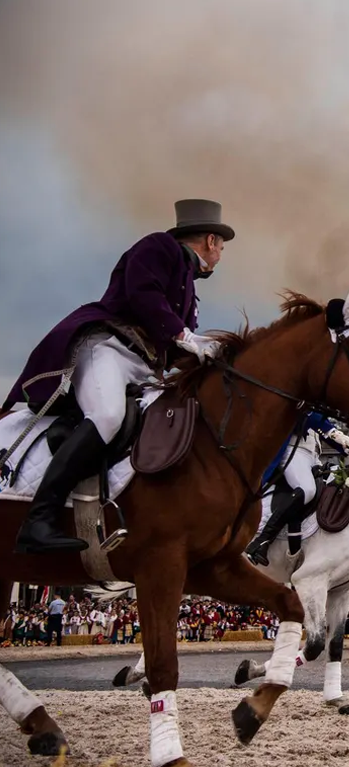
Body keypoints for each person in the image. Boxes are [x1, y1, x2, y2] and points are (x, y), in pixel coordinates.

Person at [2, 200, 234, 554]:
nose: (220, 255)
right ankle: (39, 520)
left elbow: (176, 350)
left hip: (143, 368)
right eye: (221, 247)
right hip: (110, 349)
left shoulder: (189, 288)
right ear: (211, 240)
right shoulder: (159, 246)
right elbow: (144, 295)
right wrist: (186, 336)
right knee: (108, 416)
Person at [244, 411, 349, 566]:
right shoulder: (306, 397)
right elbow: (311, 416)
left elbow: (321, 430)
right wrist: (333, 432)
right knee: (307, 489)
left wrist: (346, 448)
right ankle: (262, 541)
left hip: (313, 456)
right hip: (293, 451)